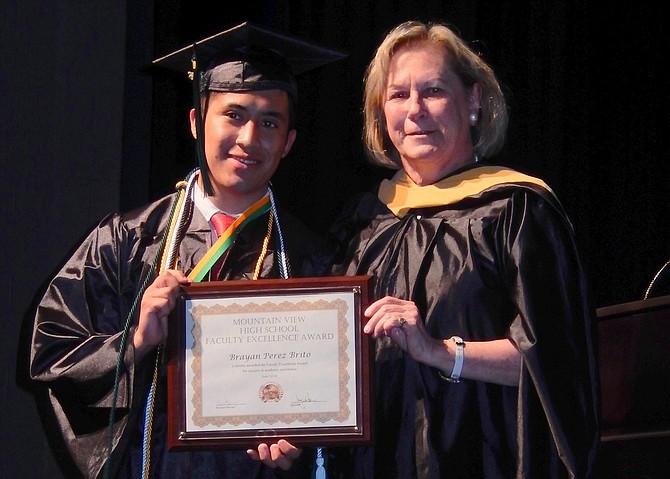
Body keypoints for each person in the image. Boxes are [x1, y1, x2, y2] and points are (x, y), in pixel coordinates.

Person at [29, 22, 345, 479]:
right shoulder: (127, 240)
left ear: (289, 143)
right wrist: (134, 342)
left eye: (270, 122)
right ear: (197, 121)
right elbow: (54, 356)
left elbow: (335, 394)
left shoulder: (313, 259)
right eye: (233, 115)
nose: (249, 138)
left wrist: (303, 439)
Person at [328, 20, 600, 478]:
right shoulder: (361, 223)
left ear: (473, 101)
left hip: (483, 457)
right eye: (398, 94)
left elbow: (556, 363)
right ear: (380, 112)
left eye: (433, 90)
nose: (415, 110)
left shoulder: (517, 211)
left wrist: (438, 351)